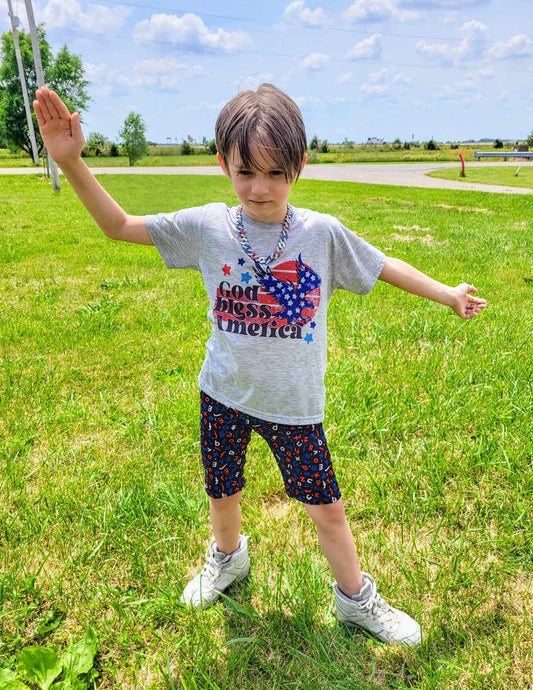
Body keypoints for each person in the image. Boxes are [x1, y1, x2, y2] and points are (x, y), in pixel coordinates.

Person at [34, 84, 486, 647]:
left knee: (328, 511)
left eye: (275, 172)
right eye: (246, 171)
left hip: (294, 409)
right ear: (223, 163)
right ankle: (228, 560)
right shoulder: (208, 227)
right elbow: (119, 226)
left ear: (300, 165)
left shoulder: (319, 234)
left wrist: (447, 293)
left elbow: (382, 265)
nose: (260, 188)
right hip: (222, 395)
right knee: (222, 492)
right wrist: (71, 162)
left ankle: (356, 599)